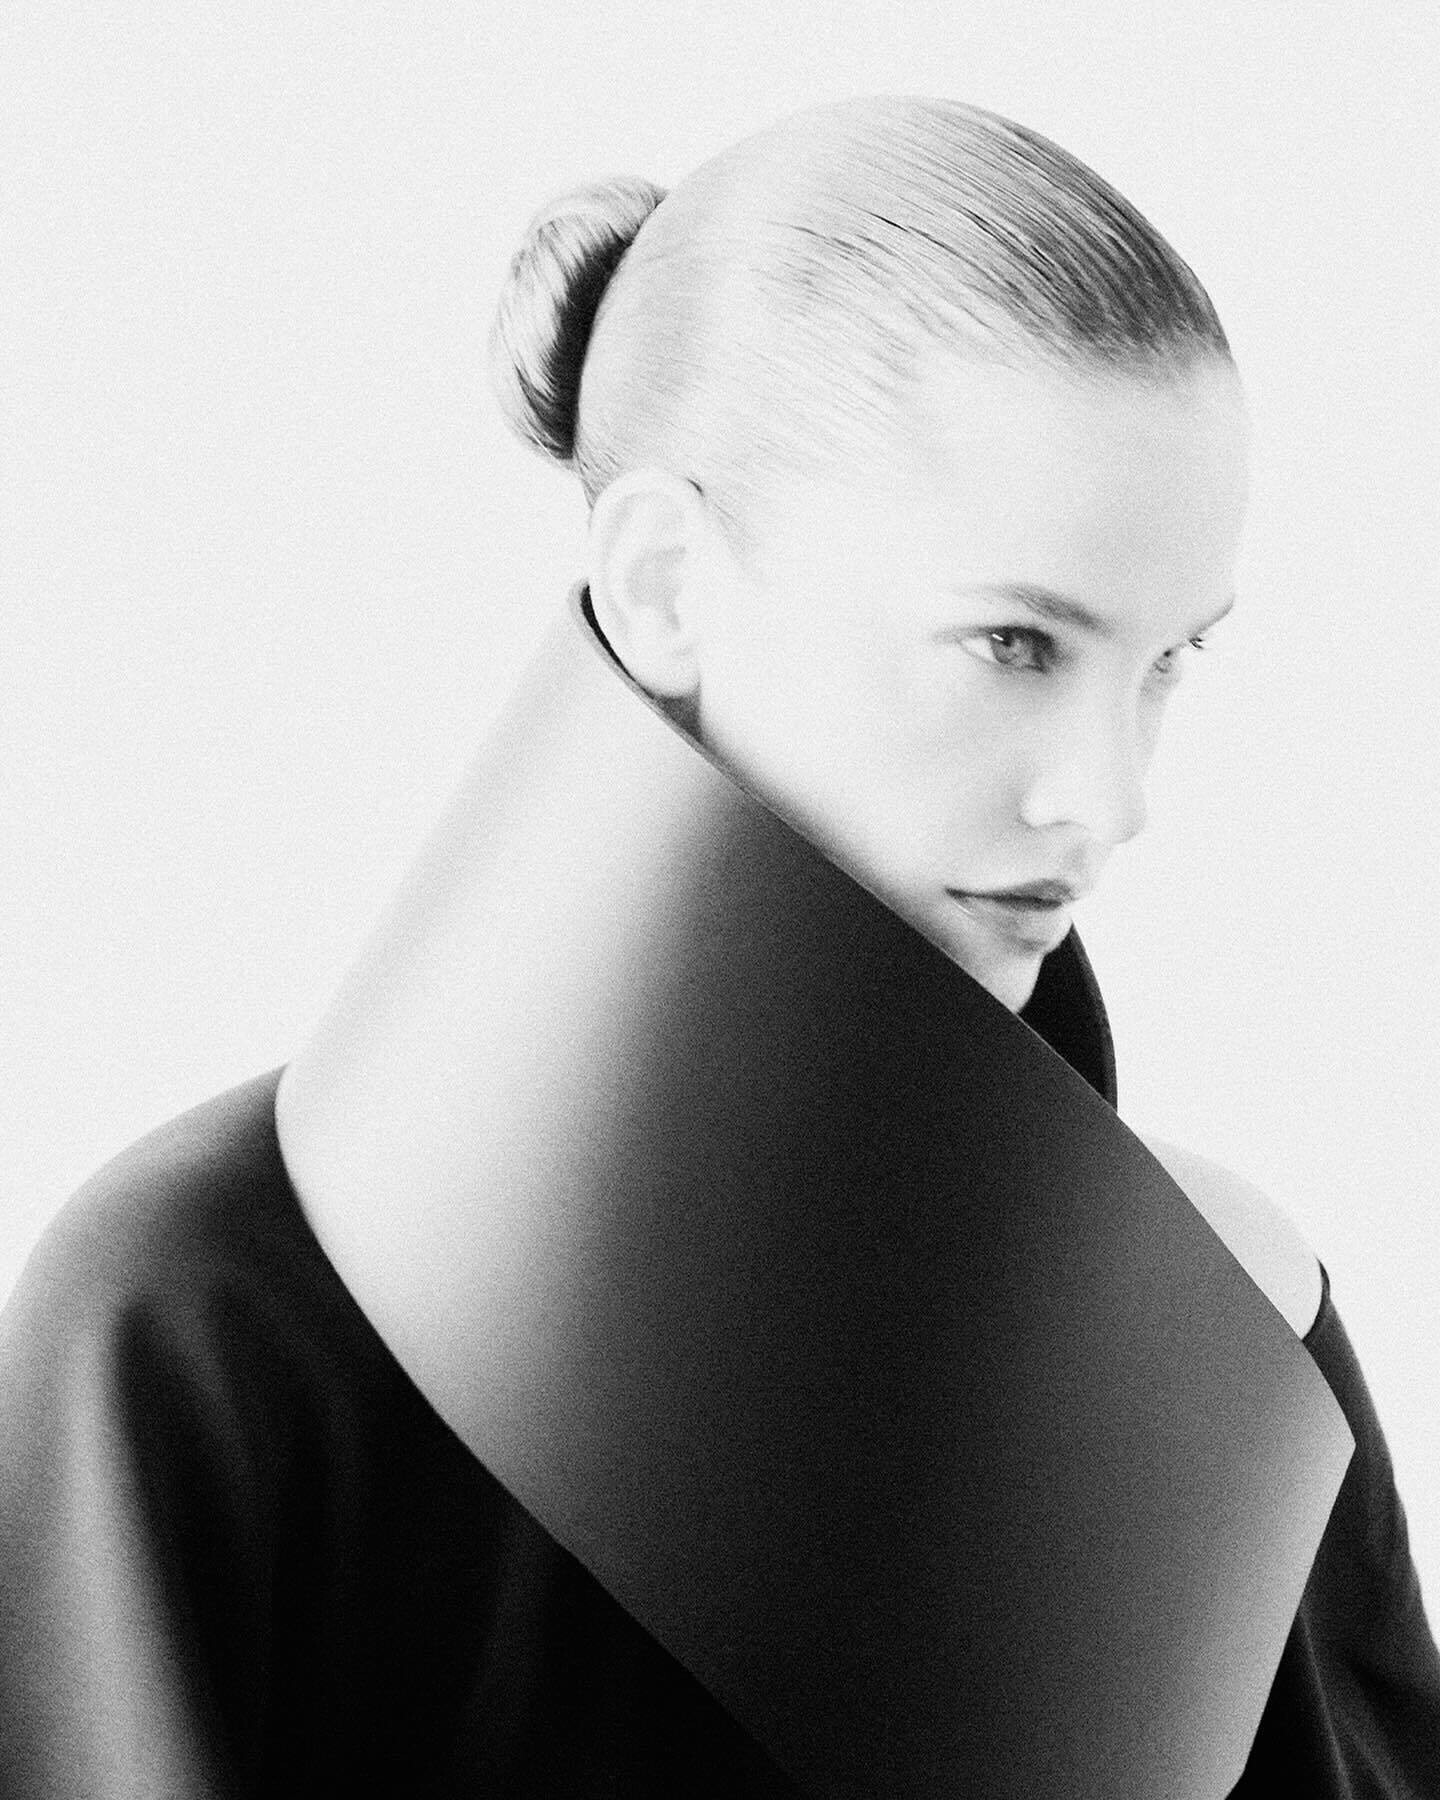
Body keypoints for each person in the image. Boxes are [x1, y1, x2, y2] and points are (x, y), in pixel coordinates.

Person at [1, 95, 1436, 1798]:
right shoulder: (195, 1324)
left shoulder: (1236, 1335)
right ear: (669, 582)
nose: (1111, 799)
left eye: (1169, 661)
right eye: (1011, 644)